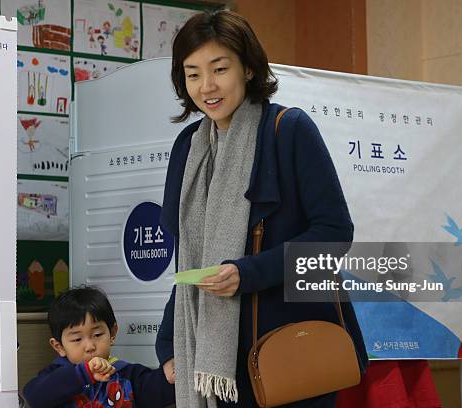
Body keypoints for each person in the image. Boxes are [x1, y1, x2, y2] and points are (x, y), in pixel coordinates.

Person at [155, 10, 368, 408]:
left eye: (220, 68)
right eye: (193, 73)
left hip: (290, 352)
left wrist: (248, 273)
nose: (207, 86)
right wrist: (169, 341)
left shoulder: (288, 130)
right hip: (214, 363)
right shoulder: (188, 147)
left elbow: (334, 234)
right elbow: (190, 260)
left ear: (248, 69)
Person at [23, 286, 175, 408]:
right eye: (77, 339)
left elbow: (164, 389)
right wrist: (84, 374)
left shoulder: (127, 375)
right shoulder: (55, 376)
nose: (89, 346)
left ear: (113, 333)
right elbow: (34, 397)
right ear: (59, 347)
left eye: (97, 335)